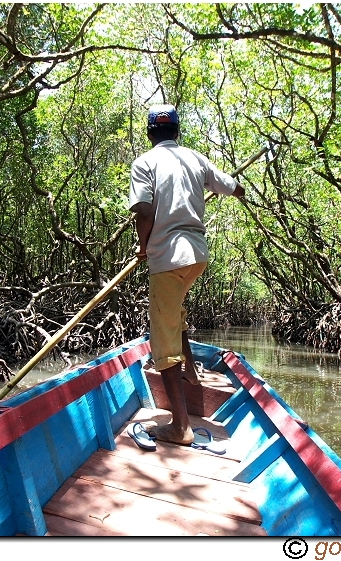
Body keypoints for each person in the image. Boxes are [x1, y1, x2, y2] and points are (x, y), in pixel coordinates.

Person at [128, 104, 245, 446]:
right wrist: (239, 190)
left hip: (167, 258)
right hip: (196, 257)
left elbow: (144, 212)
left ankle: (179, 428)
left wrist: (142, 247)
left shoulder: (144, 163)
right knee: (174, 317)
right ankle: (191, 373)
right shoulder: (195, 158)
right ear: (177, 132)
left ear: (150, 134)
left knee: (162, 340)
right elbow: (232, 186)